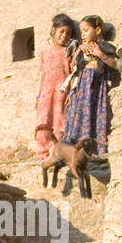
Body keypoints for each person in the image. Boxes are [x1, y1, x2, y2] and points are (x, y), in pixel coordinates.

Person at [61, 14, 116, 156]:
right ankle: (76, 151)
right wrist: (79, 49)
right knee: (77, 116)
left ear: (97, 30)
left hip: (96, 88)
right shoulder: (82, 48)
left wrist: (100, 54)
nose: (83, 35)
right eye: (81, 31)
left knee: (94, 116)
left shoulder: (104, 47)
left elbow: (115, 64)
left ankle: (95, 151)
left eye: (86, 30)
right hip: (81, 89)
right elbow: (74, 66)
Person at [34, 14, 74, 166]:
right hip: (47, 93)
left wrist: (71, 93)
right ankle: (43, 155)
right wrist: (39, 96)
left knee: (59, 121)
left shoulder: (68, 52)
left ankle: (56, 154)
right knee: (44, 122)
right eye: (61, 31)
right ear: (53, 31)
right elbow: (43, 74)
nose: (64, 36)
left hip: (62, 93)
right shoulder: (45, 52)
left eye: (68, 33)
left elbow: (72, 74)